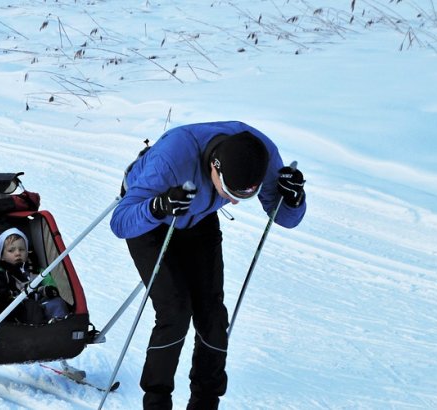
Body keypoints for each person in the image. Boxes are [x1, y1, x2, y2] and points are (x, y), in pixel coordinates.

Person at [110, 121, 306, 410]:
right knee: (175, 311)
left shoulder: (260, 156)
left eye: (243, 197)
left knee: (212, 315)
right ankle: (156, 402)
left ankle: (205, 403)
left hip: (197, 218)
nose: (234, 203)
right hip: (152, 217)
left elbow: (286, 218)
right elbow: (120, 222)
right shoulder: (172, 157)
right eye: (229, 192)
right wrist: (158, 207)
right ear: (215, 166)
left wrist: (293, 198)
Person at [0, 228, 69, 324]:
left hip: (41, 304)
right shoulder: (0, 274)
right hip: (18, 310)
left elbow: (51, 285)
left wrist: (48, 290)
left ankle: (60, 324)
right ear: (2, 256)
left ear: (27, 252)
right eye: (11, 250)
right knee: (30, 306)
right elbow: (1, 294)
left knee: (58, 302)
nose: (17, 253)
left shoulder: (37, 270)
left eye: (21, 249)